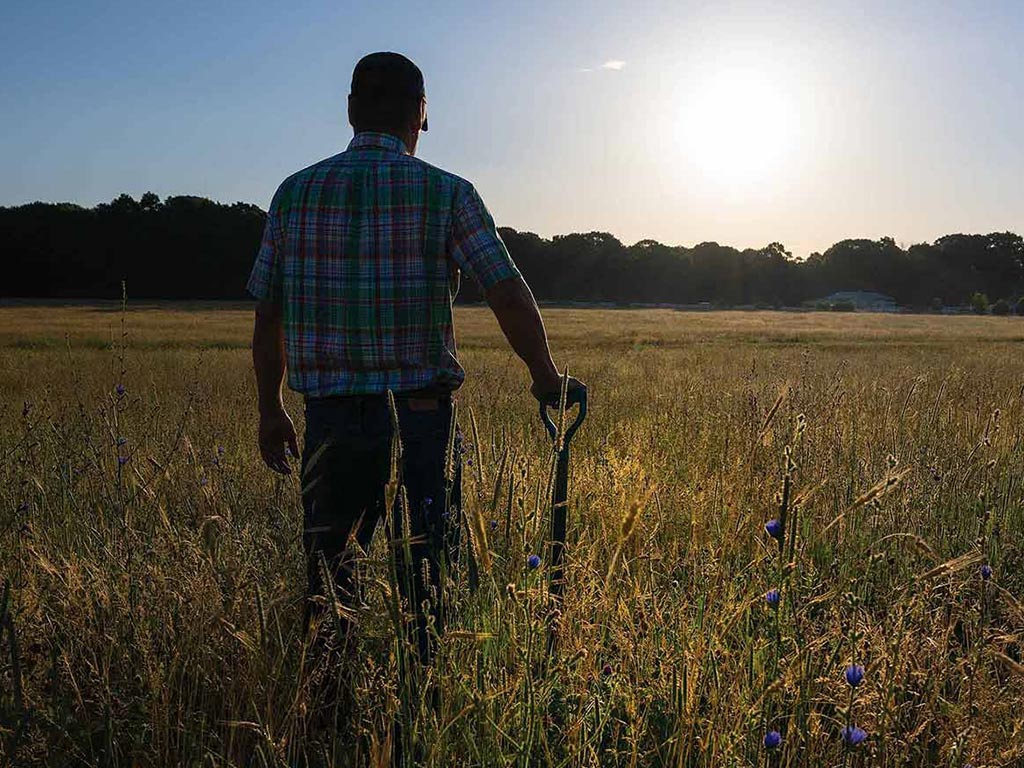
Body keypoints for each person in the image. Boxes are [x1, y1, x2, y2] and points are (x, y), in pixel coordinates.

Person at [247, 51, 585, 663]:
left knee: (329, 573)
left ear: (350, 110)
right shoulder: (448, 193)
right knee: (427, 569)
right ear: (421, 117)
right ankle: (420, 694)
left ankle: (326, 707)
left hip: (329, 418)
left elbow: (268, 312)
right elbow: (505, 289)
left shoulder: (293, 195)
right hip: (422, 420)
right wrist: (545, 377)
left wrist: (271, 410)